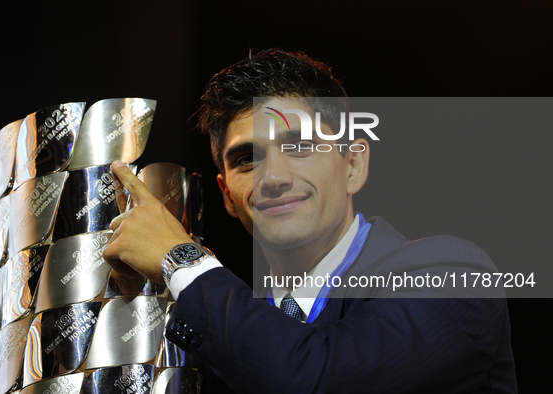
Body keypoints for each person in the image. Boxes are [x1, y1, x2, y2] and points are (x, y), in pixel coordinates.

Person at [103, 49, 517, 393]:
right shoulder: (216, 331)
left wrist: (182, 262)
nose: (274, 178)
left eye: (299, 146)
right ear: (227, 195)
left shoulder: (454, 274)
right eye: (247, 160)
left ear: (353, 164)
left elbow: (318, 378)